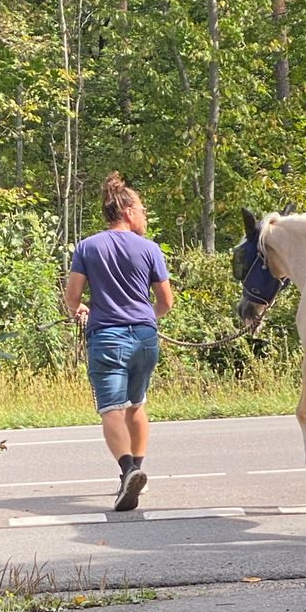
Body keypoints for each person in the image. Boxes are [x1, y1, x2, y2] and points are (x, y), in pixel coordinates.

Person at [64, 172, 173, 511]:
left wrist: (79, 309)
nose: (144, 215)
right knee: (137, 403)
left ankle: (127, 471)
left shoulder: (87, 247)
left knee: (111, 409)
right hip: (144, 337)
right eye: (141, 209)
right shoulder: (150, 249)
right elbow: (166, 302)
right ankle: (136, 471)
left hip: (107, 337)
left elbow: (72, 296)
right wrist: (145, 320)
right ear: (127, 210)